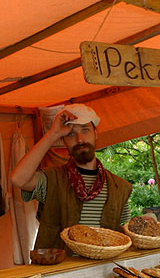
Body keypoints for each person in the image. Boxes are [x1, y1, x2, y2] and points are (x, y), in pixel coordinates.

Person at [10, 104, 132, 249]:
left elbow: (125, 234)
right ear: (63, 141)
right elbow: (18, 179)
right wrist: (52, 134)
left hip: (103, 268)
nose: (80, 139)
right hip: (59, 269)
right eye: (70, 134)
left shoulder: (120, 187)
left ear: (96, 133)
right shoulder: (52, 180)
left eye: (85, 130)